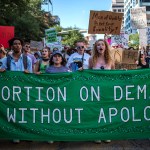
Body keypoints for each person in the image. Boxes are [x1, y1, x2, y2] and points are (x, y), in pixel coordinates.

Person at [88, 39, 115, 143]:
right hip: (95, 90)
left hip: (107, 90)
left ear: (105, 47)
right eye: (98, 45)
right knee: (96, 112)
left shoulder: (111, 60)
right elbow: (88, 74)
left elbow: (114, 74)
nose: (100, 46)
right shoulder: (91, 59)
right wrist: (82, 70)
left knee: (107, 111)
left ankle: (106, 133)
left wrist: (123, 73)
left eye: (102, 44)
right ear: (96, 47)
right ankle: (97, 134)